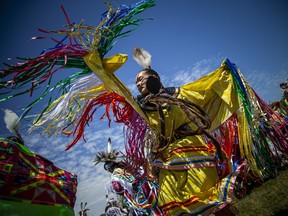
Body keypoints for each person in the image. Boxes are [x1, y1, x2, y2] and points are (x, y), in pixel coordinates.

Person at [133, 48, 239, 215]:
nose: (138, 84)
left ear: (154, 78)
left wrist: (224, 73)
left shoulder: (180, 94)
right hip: (166, 158)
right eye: (136, 82)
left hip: (193, 151)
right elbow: (120, 95)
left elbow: (205, 88)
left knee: (206, 197)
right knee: (169, 200)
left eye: (141, 79)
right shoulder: (143, 108)